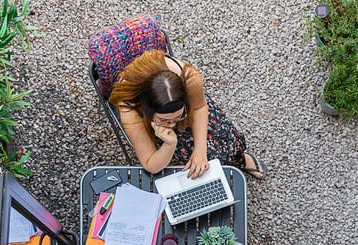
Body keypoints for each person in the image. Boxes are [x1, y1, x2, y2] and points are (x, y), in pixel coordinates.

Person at [109, 49, 267, 180]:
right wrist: (169, 144)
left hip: (186, 111)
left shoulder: (190, 79)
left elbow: (199, 108)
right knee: (193, 161)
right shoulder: (129, 106)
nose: (172, 125)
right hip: (156, 122)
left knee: (225, 138)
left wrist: (200, 151)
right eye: (165, 120)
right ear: (146, 111)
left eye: (178, 117)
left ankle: (240, 159)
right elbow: (151, 164)